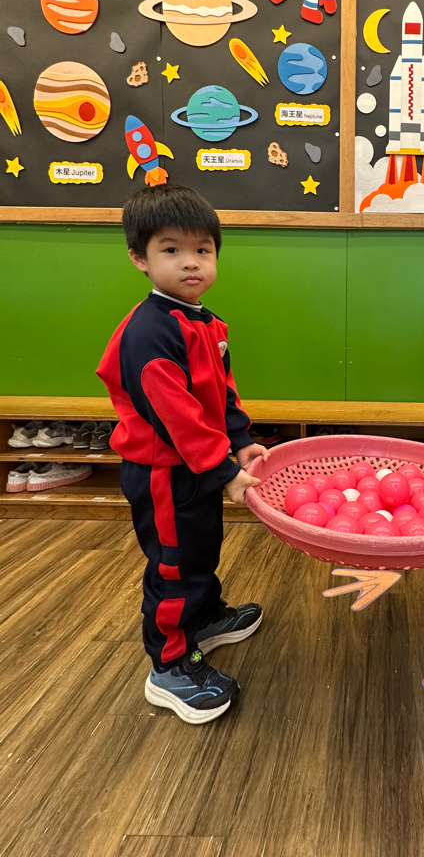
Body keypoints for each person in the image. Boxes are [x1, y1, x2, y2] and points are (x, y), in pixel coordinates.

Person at [97, 184, 268, 724]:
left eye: (202, 249)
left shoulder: (205, 322)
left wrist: (240, 441)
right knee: (174, 566)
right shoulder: (149, 332)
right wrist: (223, 470)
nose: (191, 262)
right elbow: (178, 417)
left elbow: (220, 392)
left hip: (197, 469)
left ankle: (204, 618)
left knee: (200, 548)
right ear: (139, 259)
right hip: (164, 474)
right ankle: (169, 666)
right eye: (171, 250)